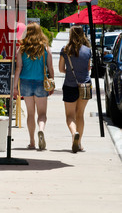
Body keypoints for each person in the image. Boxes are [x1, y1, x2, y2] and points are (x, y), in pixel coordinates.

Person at [14, 22, 54, 150]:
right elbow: (50, 67)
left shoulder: (21, 49)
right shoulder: (46, 48)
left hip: (25, 82)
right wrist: (52, 83)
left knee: (30, 113)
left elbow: (18, 68)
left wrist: (14, 87)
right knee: (42, 114)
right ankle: (41, 129)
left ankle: (32, 142)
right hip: (41, 83)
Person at [59, 25, 91, 153]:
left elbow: (61, 69)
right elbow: (88, 68)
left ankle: (74, 134)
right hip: (85, 85)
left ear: (70, 35)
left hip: (70, 85)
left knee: (70, 116)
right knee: (80, 114)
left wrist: (70, 72)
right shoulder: (88, 50)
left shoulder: (65, 50)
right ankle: (80, 143)